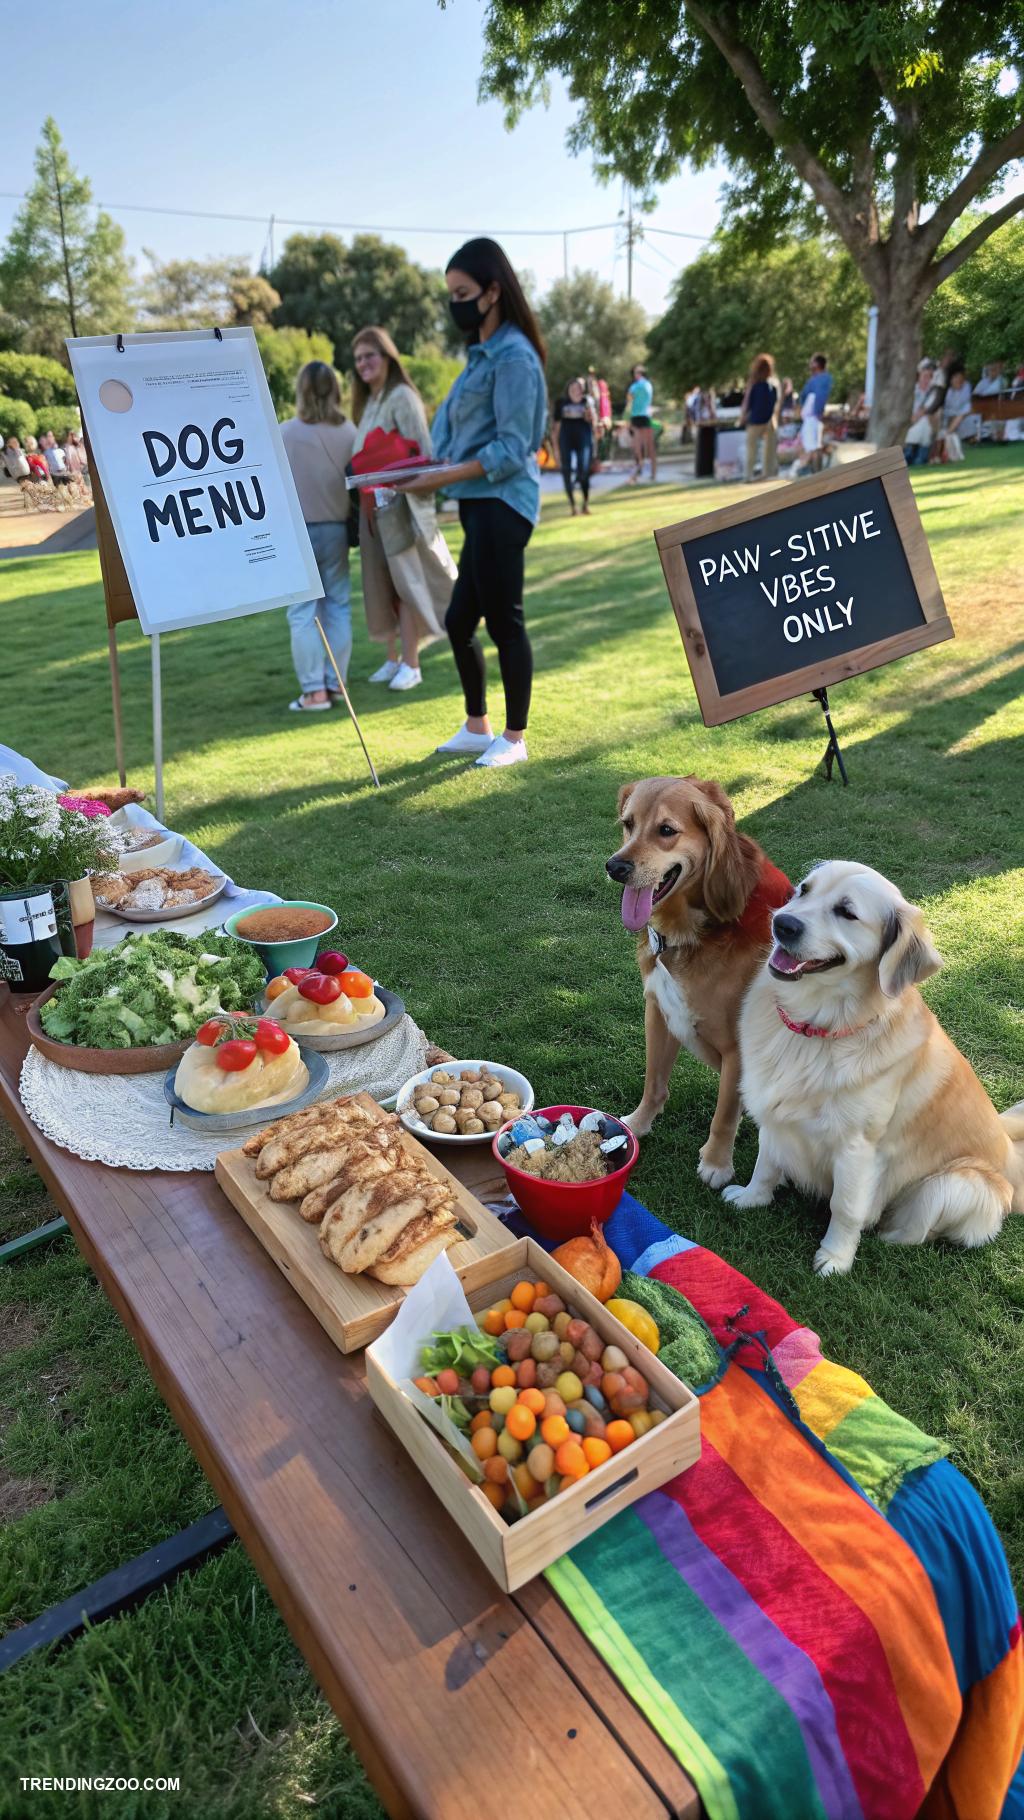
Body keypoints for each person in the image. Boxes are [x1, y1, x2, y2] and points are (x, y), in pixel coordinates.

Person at [396, 236, 547, 769]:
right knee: (460, 623)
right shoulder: (480, 355)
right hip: (477, 502)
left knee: (505, 622)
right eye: (450, 292)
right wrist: (421, 468)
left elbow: (512, 448)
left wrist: (434, 481)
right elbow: (459, 441)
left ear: (492, 292)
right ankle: (478, 725)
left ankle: (514, 736)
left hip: (504, 503)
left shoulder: (514, 358)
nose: (454, 302)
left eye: (461, 292)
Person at [350, 325, 457, 693]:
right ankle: (393, 657)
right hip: (372, 507)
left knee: (406, 582)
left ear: (387, 356)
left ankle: (412, 663)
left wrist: (412, 495)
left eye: (370, 355)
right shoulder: (371, 401)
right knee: (383, 585)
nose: (364, 364)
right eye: (358, 359)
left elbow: (423, 453)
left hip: (398, 505)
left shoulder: (402, 397)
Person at [279, 361, 356, 713]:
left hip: (299, 531)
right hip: (337, 529)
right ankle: (336, 683)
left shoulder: (284, 433)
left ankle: (314, 691)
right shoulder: (350, 433)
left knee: (302, 611)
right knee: (337, 605)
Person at [553, 377, 597, 515]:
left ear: (582, 390)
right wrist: (555, 449)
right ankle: (573, 506)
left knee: (583, 471)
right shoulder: (561, 403)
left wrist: (590, 412)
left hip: (584, 439)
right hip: (566, 439)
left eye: (578, 388)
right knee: (566, 471)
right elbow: (556, 429)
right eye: (573, 388)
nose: (575, 390)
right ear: (568, 389)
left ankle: (585, 503)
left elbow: (593, 422)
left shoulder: (587, 402)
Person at [739, 352, 779, 481]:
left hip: (755, 420)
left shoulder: (754, 384)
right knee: (769, 449)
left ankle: (748, 475)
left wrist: (742, 417)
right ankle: (768, 473)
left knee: (751, 449)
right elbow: (775, 404)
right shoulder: (772, 386)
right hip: (769, 420)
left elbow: (746, 403)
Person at [797, 353, 832, 473]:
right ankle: (817, 473)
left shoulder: (821, 379)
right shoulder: (817, 379)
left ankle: (817, 474)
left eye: (812, 362)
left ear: (817, 364)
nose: (810, 365)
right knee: (813, 446)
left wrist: (817, 413)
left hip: (813, 417)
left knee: (814, 447)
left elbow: (819, 396)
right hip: (811, 417)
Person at [625, 363, 656, 483]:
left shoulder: (634, 386)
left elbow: (629, 400)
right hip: (645, 416)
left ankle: (640, 469)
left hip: (637, 417)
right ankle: (652, 473)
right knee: (649, 446)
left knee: (638, 447)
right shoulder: (648, 385)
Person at [903, 358, 937, 465]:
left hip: (928, 425)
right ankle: (919, 456)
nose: (927, 380)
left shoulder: (934, 392)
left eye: (930, 377)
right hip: (909, 424)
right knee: (923, 422)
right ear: (919, 375)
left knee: (925, 421)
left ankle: (912, 454)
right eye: (925, 376)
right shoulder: (911, 390)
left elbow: (927, 412)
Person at [934, 365, 972, 461]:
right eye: (955, 378)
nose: (957, 380)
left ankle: (946, 435)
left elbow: (964, 408)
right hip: (948, 417)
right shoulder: (948, 391)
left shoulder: (966, 387)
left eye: (959, 378)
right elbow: (943, 407)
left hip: (962, 417)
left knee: (961, 414)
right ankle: (937, 450)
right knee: (938, 413)